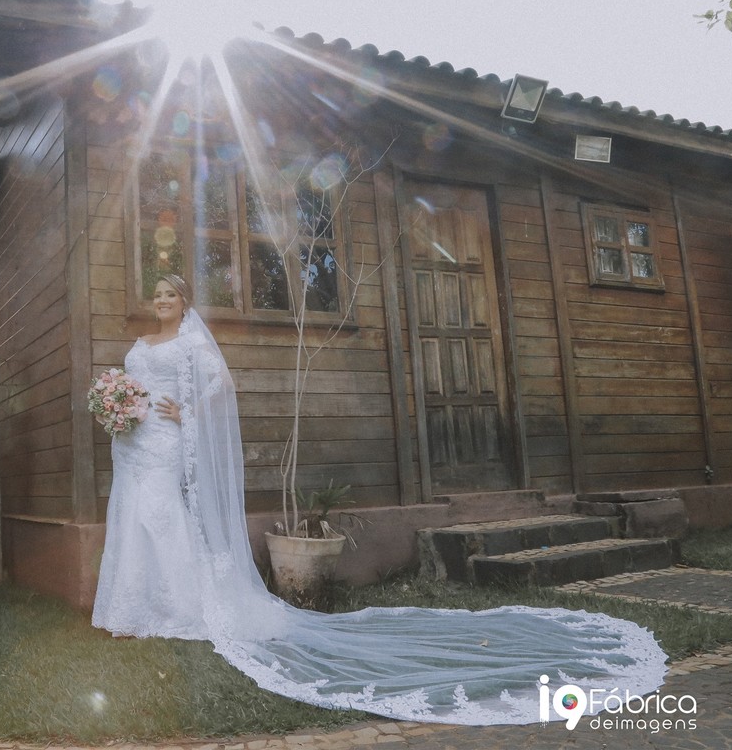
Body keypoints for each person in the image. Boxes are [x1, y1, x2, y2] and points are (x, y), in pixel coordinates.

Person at [92, 274, 667, 725]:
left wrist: (184, 412)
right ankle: (129, 609)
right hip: (131, 443)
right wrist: (117, 404)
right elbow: (130, 384)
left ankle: (175, 606)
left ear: (184, 301)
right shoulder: (142, 343)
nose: (163, 301)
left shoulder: (193, 341)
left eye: (171, 294)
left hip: (166, 442)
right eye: (158, 294)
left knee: (163, 518)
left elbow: (222, 386)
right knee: (131, 517)